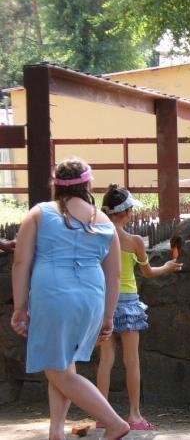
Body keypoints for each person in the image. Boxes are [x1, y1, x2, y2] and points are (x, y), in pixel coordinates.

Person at [11, 157, 130, 440]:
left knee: (58, 372)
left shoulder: (40, 214)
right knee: (63, 363)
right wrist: (108, 316)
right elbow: (114, 276)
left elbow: (20, 264)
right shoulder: (104, 222)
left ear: (56, 185)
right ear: (87, 184)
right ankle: (57, 432)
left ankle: (113, 423)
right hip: (92, 298)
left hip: (53, 296)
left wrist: (19, 308)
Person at [96, 184, 182, 431]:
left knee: (106, 359)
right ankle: (134, 415)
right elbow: (148, 272)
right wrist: (167, 267)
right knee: (131, 359)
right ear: (127, 213)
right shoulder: (134, 241)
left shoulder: (98, 236)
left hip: (104, 301)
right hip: (129, 303)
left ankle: (102, 414)